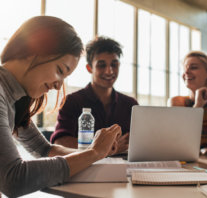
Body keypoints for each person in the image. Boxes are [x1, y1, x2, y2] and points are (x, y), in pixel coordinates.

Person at [0, 16, 121, 197]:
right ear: (34, 50)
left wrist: (96, 154)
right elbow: (13, 179)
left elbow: (44, 149)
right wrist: (94, 153)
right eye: (60, 70)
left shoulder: (15, 98)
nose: (58, 86)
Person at [50, 36, 138, 154]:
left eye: (114, 64)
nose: (109, 71)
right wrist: (108, 147)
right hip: (86, 169)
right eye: (101, 65)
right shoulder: (72, 101)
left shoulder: (130, 104)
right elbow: (60, 142)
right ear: (89, 68)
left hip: (123, 168)